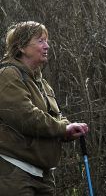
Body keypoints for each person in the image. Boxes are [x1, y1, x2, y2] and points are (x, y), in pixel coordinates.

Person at [0, 21, 89, 195]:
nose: (47, 46)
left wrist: (68, 129)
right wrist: (63, 128)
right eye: (40, 41)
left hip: (42, 175)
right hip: (14, 173)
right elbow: (26, 117)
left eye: (46, 41)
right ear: (22, 47)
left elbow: (56, 116)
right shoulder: (7, 76)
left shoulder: (42, 83)